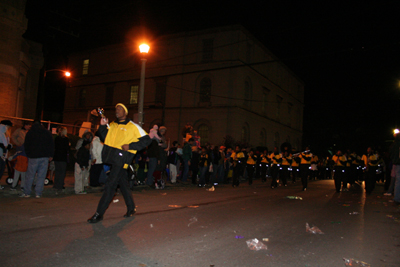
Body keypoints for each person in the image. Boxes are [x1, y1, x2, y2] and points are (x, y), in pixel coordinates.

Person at [88, 103, 158, 223]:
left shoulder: (133, 126)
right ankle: (131, 208)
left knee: (110, 185)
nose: (117, 111)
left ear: (125, 112)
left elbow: (147, 140)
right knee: (123, 184)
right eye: (116, 109)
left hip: (122, 159)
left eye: (120, 109)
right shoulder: (113, 125)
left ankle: (99, 213)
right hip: (113, 158)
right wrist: (103, 127)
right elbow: (106, 139)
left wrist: (130, 146)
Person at [20, 120, 54, 198]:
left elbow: (26, 144)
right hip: (44, 156)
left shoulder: (30, 133)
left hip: (33, 156)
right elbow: (51, 144)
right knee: (41, 175)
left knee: (30, 175)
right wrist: (51, 155)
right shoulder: (47, 132)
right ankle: (38, 193)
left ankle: (27, 192)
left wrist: (28, 154)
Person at [53, 127, 70, 193]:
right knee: (62, 172)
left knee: (57, 171)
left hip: (57, 157)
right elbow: (67, 148)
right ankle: (60, 185)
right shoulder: (66, 139)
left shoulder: (57, 138)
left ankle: (56, 185)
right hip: (63, 157)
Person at [0, 120, 13, 189]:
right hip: (1, 154)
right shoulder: (1, 132)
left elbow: (6, 143)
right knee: (0, 169)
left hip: (3, 154)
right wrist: (4, 146)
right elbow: (3, 144)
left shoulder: (4, 133)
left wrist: (9, 146)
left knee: (1, 169)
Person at [389, 133, 400, 204]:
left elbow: (391, 153)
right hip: (398, 163)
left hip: (397, 163)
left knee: (398, 180)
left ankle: (396, 198)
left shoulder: (395, 144)